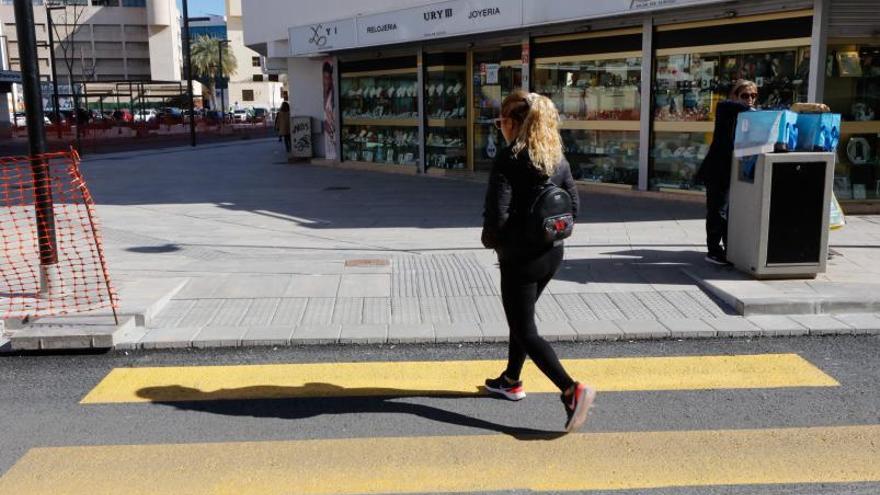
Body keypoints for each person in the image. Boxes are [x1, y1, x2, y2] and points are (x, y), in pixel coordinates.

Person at [481, 90, 596, 433]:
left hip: (520, 258)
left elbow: (497, 218)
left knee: (524, 328)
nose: (499, 126)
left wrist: (494, 243)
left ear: (514, 123)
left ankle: (571, 390)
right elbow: (574, 209)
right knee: (523, 317)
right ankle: (511, 379)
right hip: (552, 254)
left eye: (501, 121)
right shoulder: (556, 158)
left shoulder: (508, 159)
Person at [695, 79, 757, 265]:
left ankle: (730, 248)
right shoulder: (726, 109)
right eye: (745, 95)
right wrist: (749, 109)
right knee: (717, 210)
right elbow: (724, 104)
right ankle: (714, 250)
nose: (750, 100)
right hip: (717, 169)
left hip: (736, 170)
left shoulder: (749, 116)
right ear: (735, 95)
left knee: (731, 211)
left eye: (753, 96)